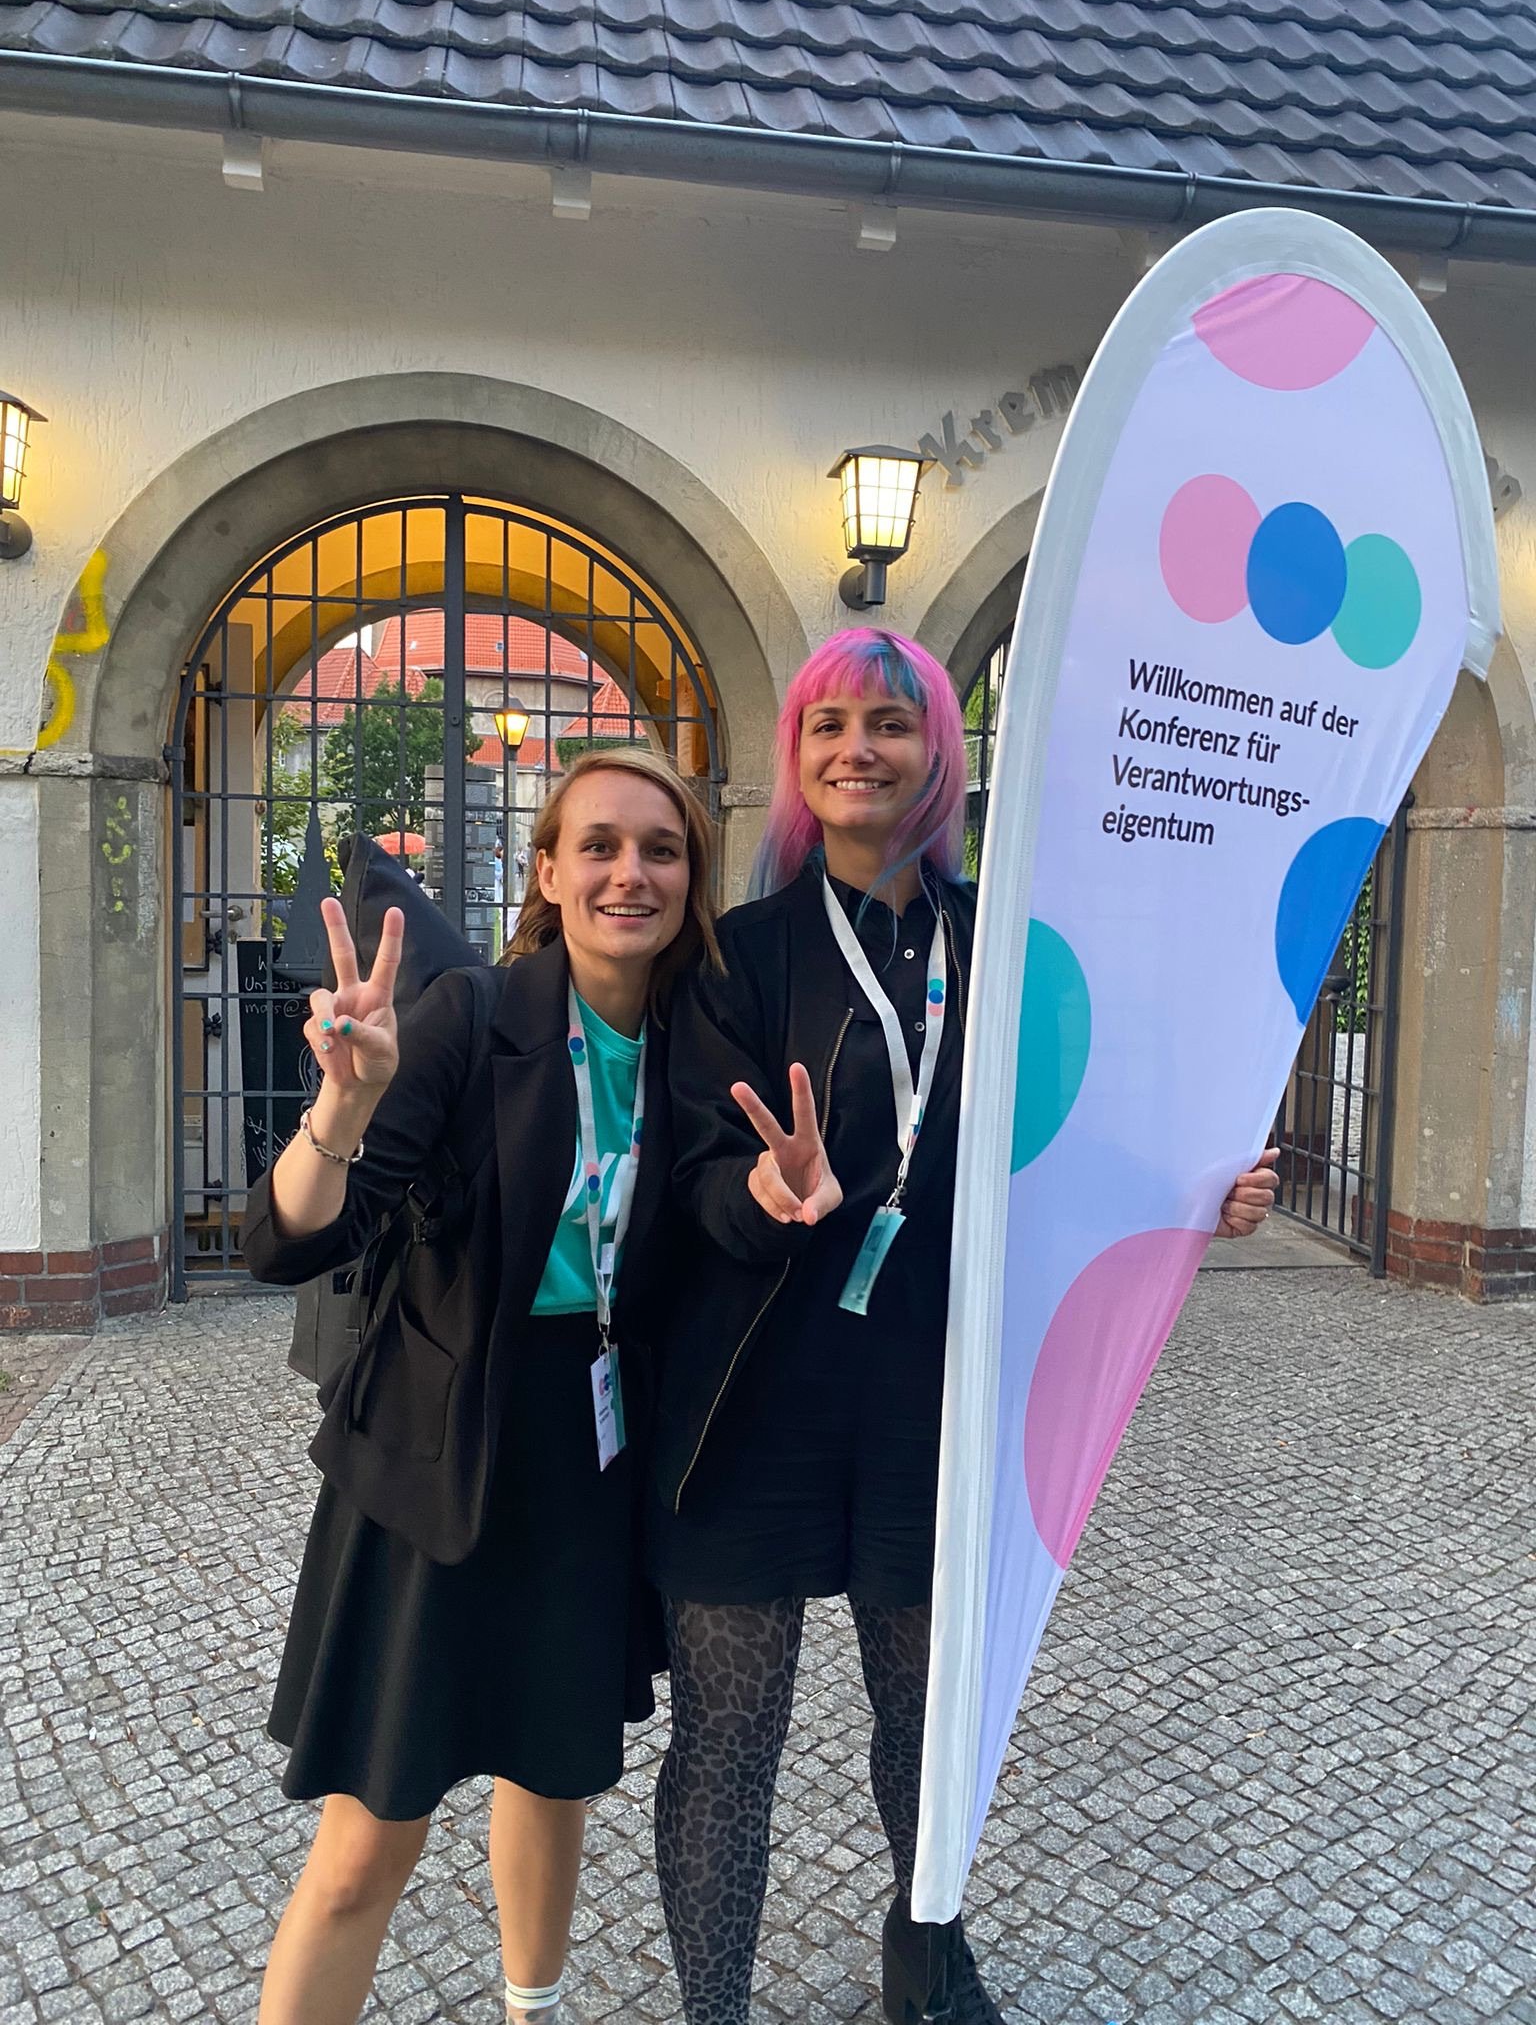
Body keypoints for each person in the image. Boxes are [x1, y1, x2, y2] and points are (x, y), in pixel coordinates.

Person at [647, 629, 1278, 2025]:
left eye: (890, 721)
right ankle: (712, 2009)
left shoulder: (1005, 946)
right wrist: (761, 1194)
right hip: (748, 1404)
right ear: (797, 757)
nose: (857, 748)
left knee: (926, 1727)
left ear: (940, 750)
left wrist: (1199, 1189)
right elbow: (690, 1173)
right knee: (728, 1743)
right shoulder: (739, 953)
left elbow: (1087, 1121)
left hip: (936, 1402)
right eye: (829, 725)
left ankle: (926, 1950)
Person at [241, 749, 719, 2025]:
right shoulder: (470, 1015)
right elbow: (294, 1237)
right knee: (368, 1839)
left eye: (661, 848)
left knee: (551, 1776)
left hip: (588, 1456)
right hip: (436, 1455)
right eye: (599, 844)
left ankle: (531, 2008)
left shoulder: (695, 1045)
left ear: (691, 877)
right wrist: (342, 1105)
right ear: (548, 872)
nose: (630, 872)